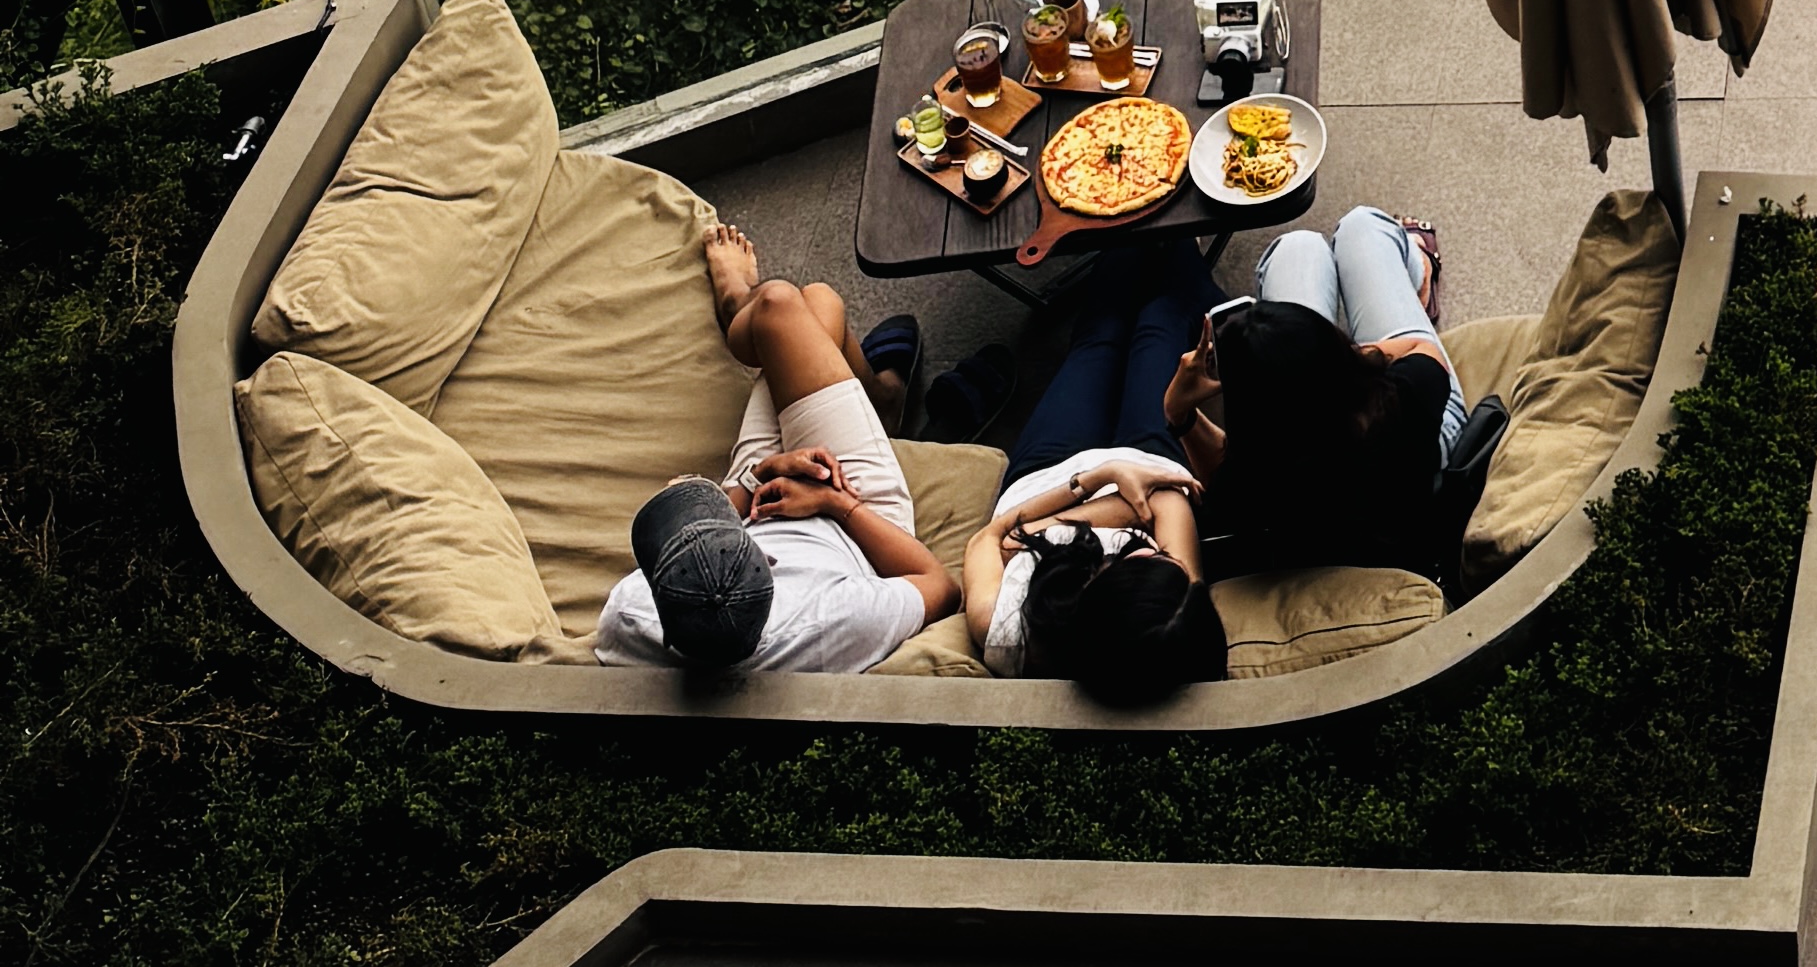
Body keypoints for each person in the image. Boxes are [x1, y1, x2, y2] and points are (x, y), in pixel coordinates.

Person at [593, 221, 959, 682]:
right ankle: (744, 310)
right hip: (856, 515)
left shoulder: (629, 619)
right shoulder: (833, 622)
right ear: (765, 560)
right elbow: (941, 587)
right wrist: (836, 504)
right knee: (793, 303)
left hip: (757, 493)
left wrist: (755, 479)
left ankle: (864, 387)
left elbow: (697, 559)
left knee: (803, 310)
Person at [1169, 205, 1513, 589]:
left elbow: (1220, 474)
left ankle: (1403, 267)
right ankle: (1418, 265)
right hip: (1418, 455)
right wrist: (1351, 354)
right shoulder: (1401, 394)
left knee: (1296, 249)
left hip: (1329, 494)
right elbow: (1423, 351)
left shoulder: (1253, 471)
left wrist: (1178, 410)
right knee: (1362, 226)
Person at [961, 234, 1228, 708]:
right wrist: (1048, 526)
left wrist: (1100, 477)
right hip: (1148, 473)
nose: (1164, 561)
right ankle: (1175, 240)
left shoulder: (1005, 632)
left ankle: (1134, 234)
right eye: (1169, 563)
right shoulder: (1174, 612)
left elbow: (992, 539)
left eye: (1139, 564)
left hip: (1046, 478)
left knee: (1099, 338)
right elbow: (1166, 501)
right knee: (1158, 324)